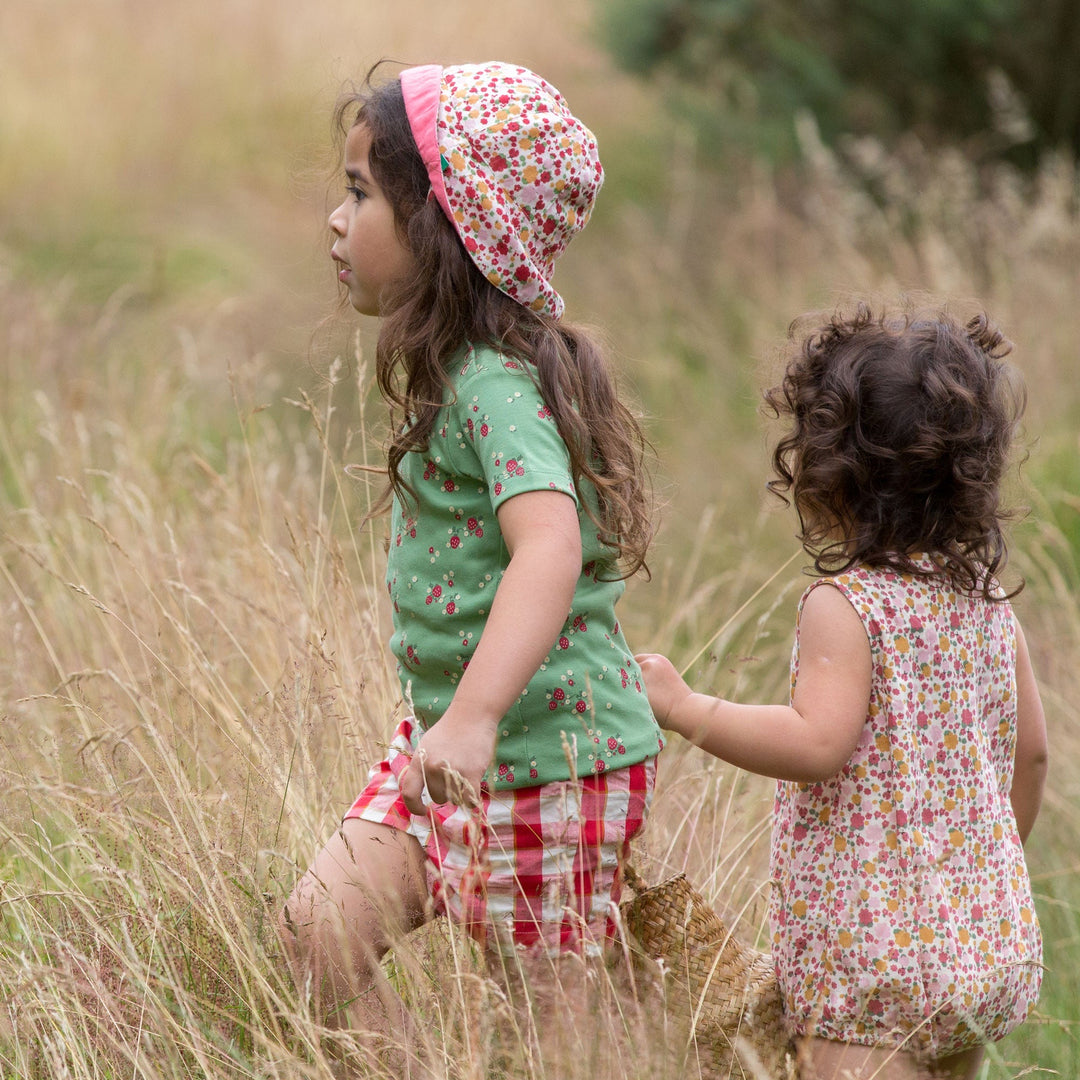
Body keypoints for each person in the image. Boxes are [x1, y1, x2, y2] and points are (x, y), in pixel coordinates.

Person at [279, 60, 664, 1065]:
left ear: (446, 228)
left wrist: (479, 714)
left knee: (549, 1037)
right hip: (449, 746)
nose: (336, 218)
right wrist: (457, 727)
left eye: (363, 194)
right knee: (318, 929)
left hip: (552, 766)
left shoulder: (495, 382)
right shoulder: (461, 374)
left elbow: (551, 542)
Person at [636, 305, 1047, 1080]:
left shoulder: (848, 605)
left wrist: (685, 708)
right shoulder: (989, 605)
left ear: (830, 474)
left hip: (872, 973)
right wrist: (974, 877)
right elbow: (1034, 755)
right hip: (981, 946)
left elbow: (817, 744)